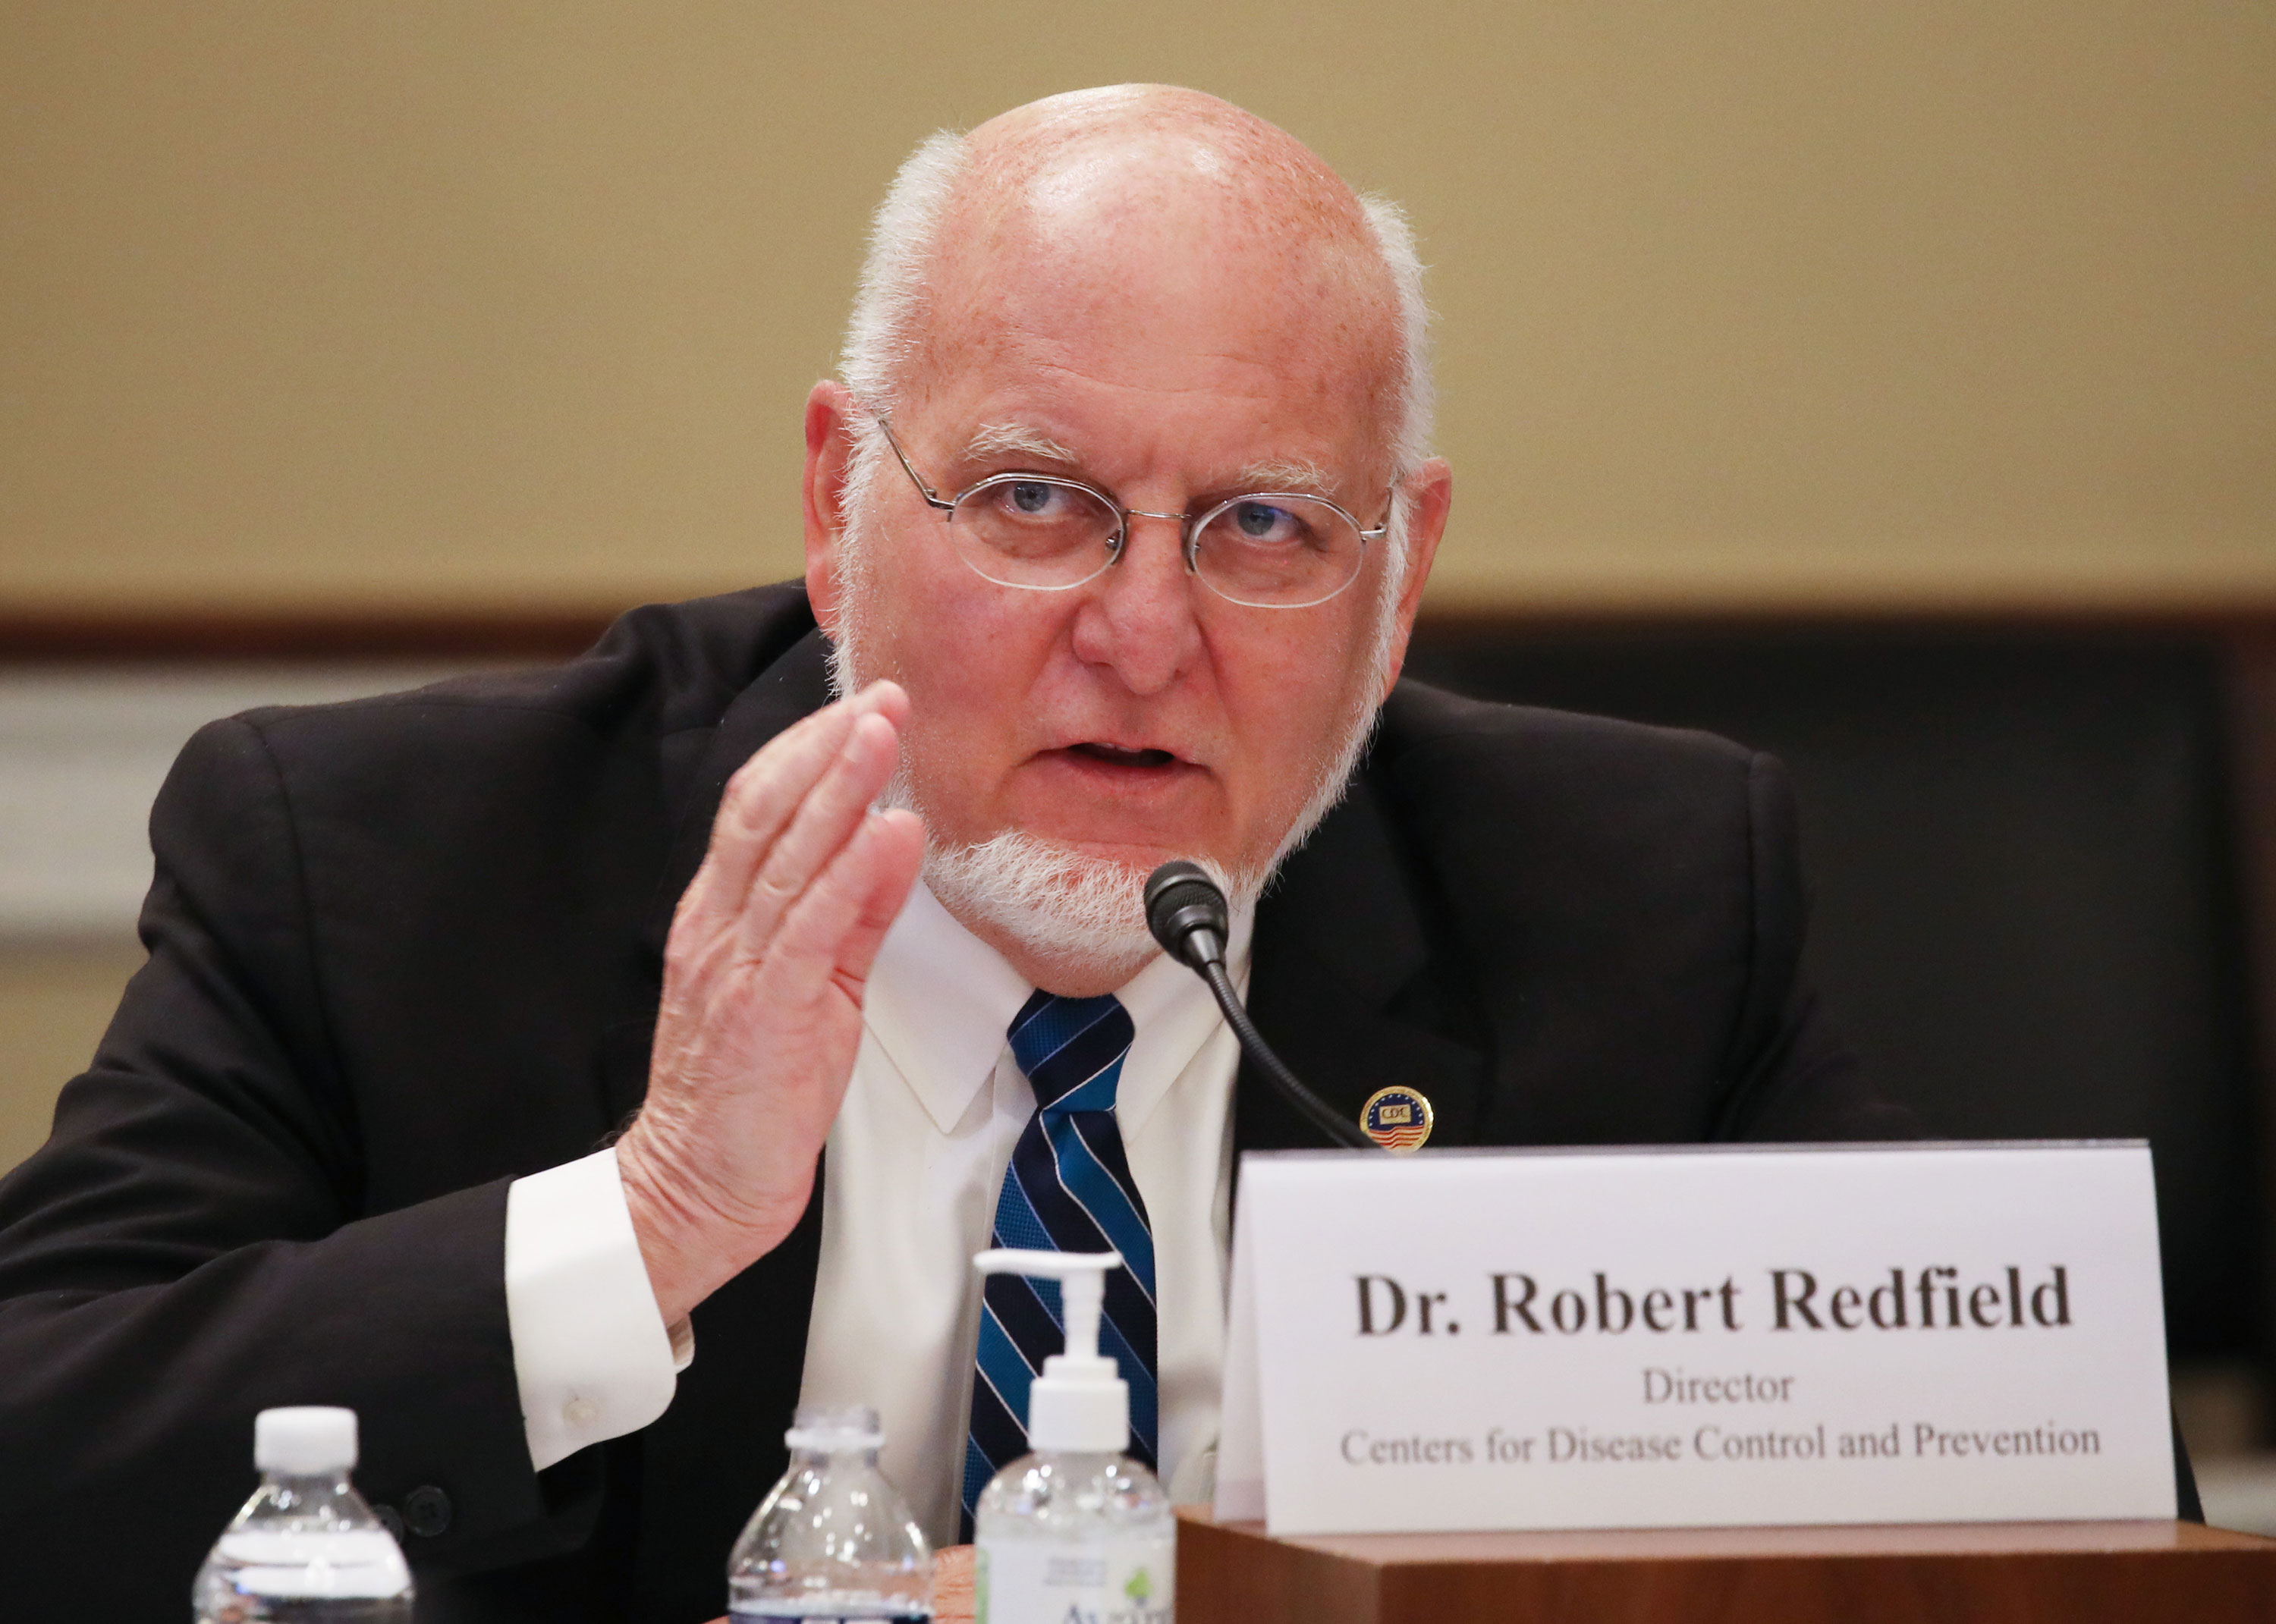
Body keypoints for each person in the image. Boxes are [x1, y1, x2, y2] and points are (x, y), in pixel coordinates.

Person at [0, 86, 1940, 1622]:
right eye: (1036, 502)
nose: (1145, 633)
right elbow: (37, 1453)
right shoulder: (390, 868)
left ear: (1402, 574)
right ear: (844, 497)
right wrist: (656, 1216)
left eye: (1263, 527)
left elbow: (2035, 1494)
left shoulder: (1643, 899)